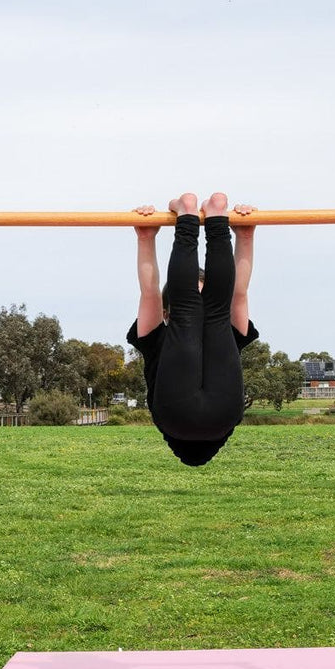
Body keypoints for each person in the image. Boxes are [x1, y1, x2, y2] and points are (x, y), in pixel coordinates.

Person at [126, 192, 259, 466]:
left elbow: (150, 293)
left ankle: (198, 211)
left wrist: (146, 238)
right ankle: (197, 211)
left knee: (203, 316)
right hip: (207, 413)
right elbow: (239, 294)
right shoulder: (169, 330)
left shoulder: (155, 337)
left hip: (187, 415)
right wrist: (245, 237)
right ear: (166, 312)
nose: (201, 307)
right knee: (211, 315)